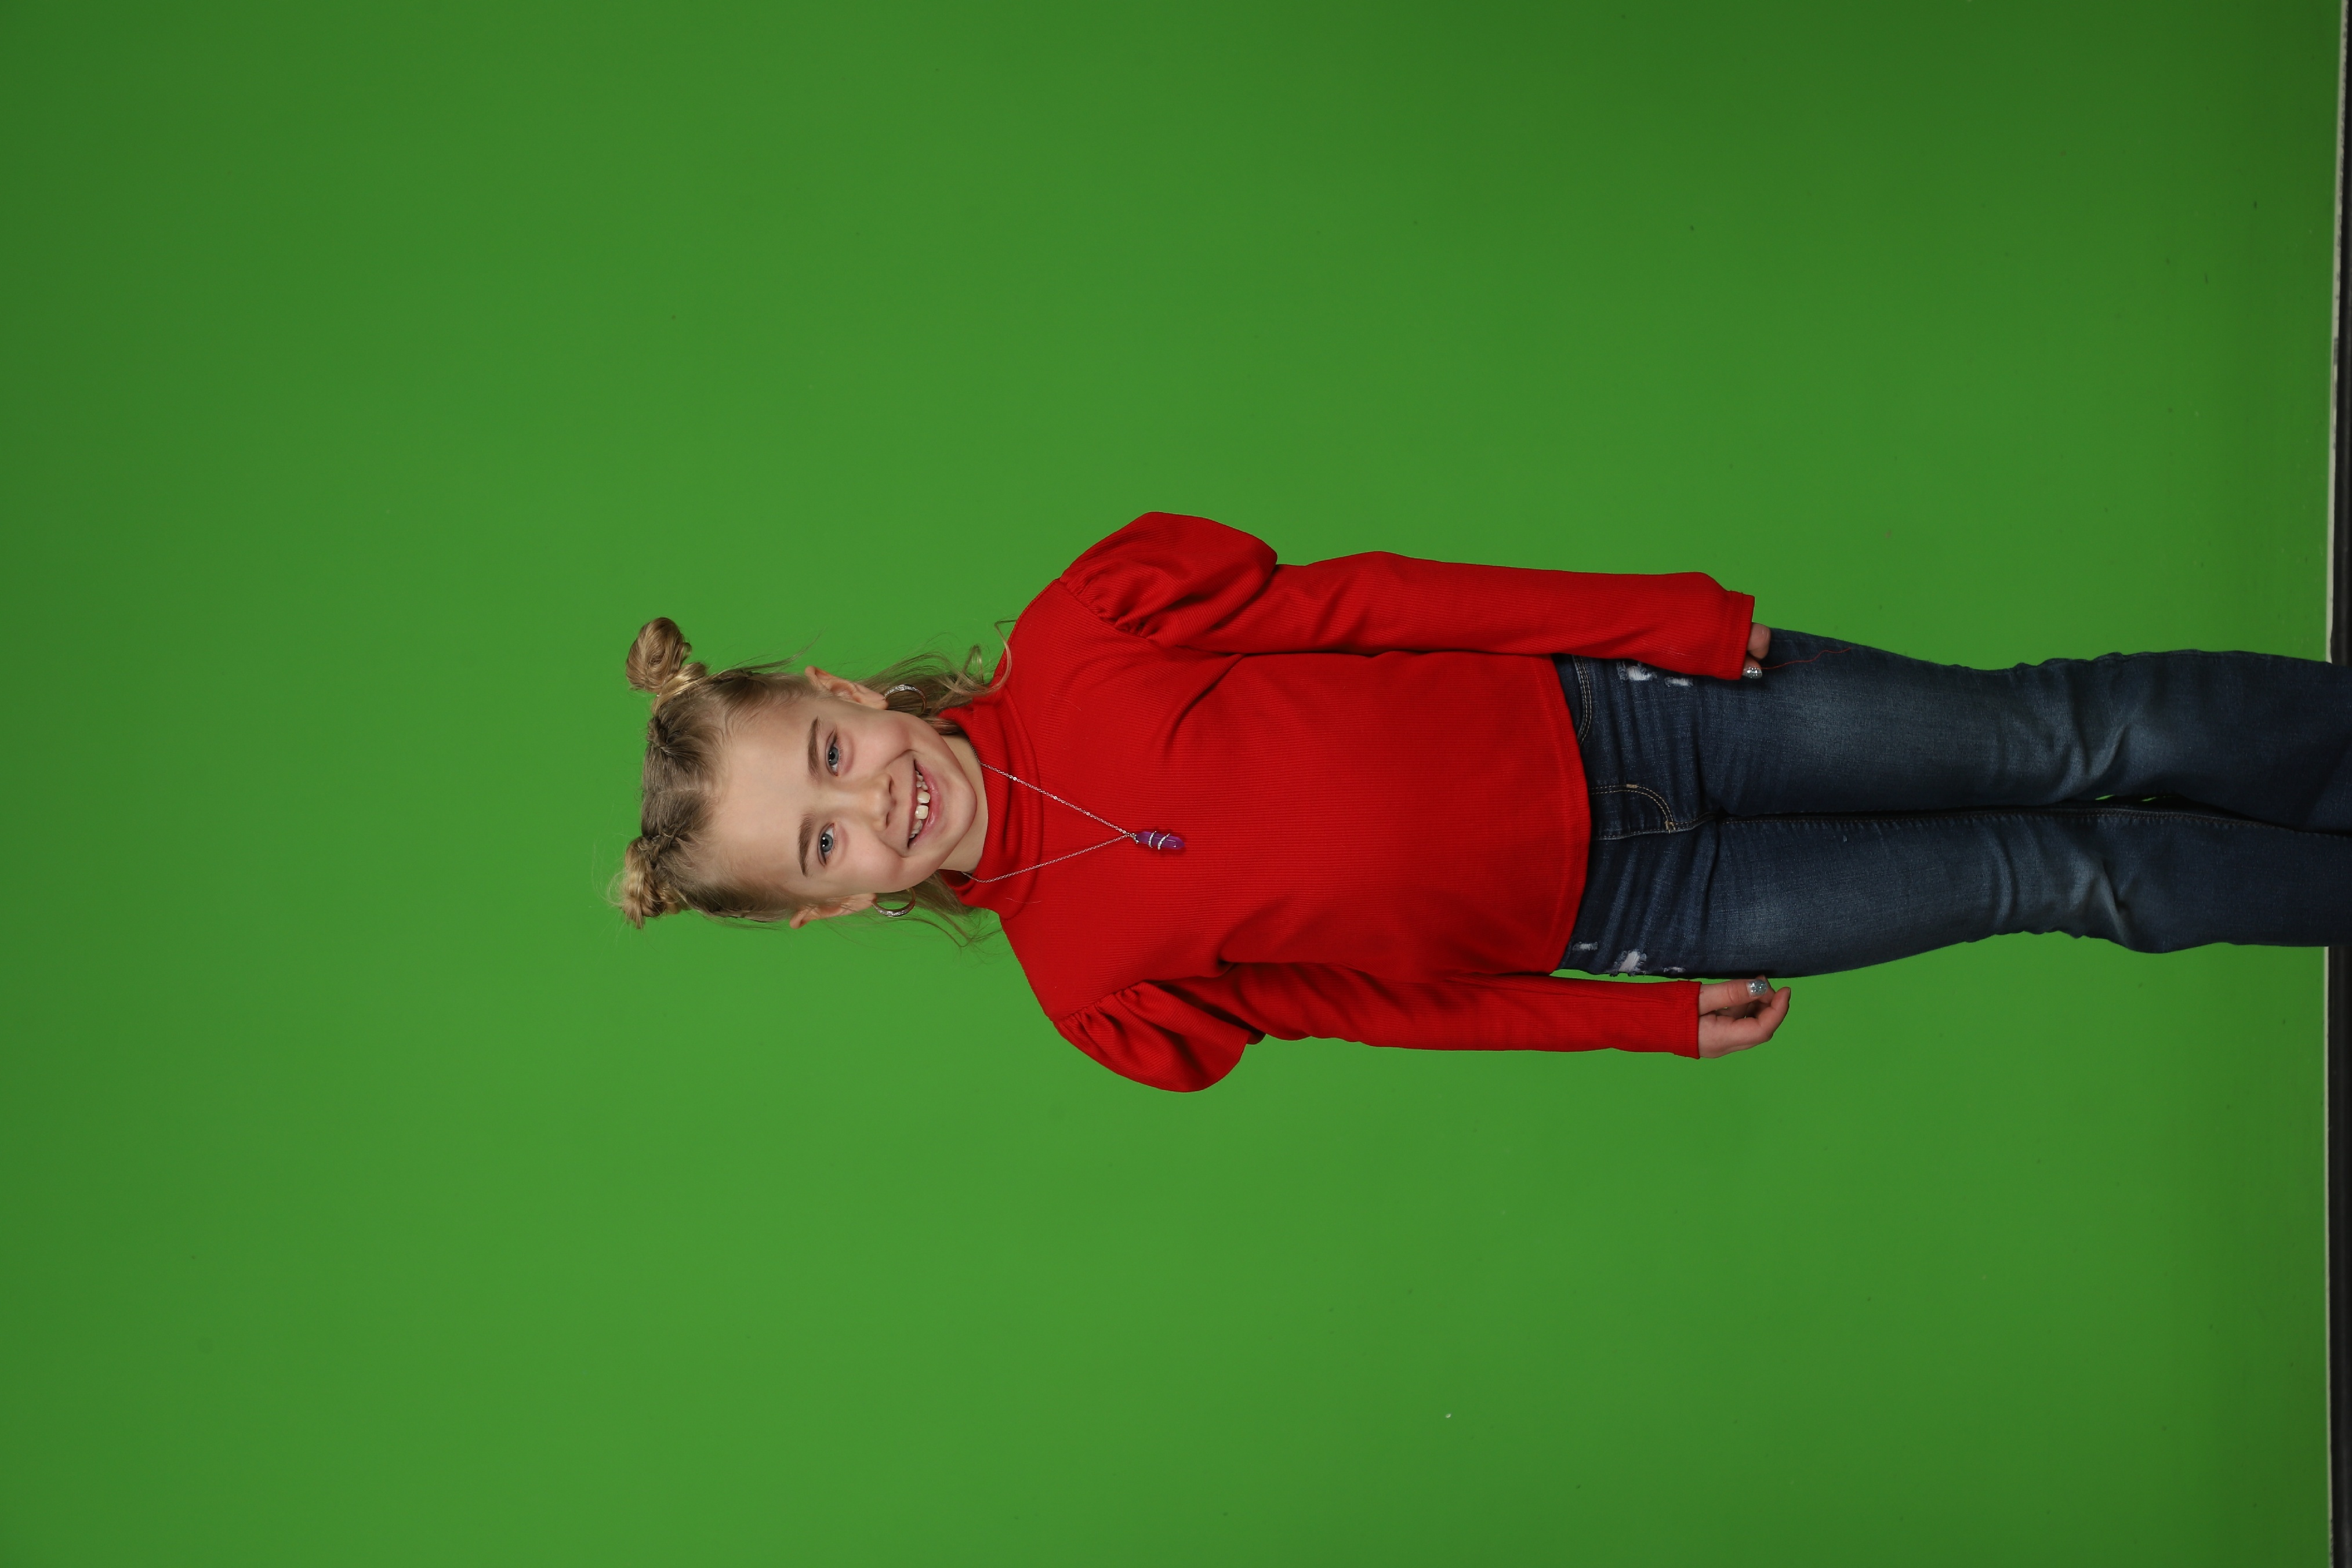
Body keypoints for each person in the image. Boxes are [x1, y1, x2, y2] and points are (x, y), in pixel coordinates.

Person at [617, 511, 2352, 1091]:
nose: (875, 806)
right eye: (824, 844)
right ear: (835, 905)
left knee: (2057, 735)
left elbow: (1384, 601)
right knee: (2061, 878)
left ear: (846, 692)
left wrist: (1664, 625)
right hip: (1650, 917)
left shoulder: (1093, 627)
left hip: (1655, 717)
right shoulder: (1096, 997)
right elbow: (1386, 1008)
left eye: (829, 755)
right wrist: (1636, 1022)